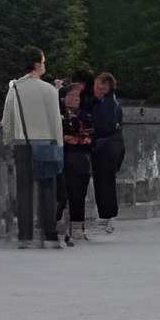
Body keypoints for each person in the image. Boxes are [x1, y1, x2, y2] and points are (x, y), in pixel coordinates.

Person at [1, 46, 63, 248]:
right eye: (43, 61)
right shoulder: (49, 90)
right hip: (45, 143)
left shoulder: (15, 88)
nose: (44, 65)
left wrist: (9, 141)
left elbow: (7, 119)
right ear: (37, 64)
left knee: (24, 190)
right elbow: (56, 122)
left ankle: (25, 237)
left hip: (22, 143)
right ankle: (50, 236)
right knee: (47, 190)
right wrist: (59, 146)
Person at [55, 72, 94, 245]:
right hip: (63, 158)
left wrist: (83, 138)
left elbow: (94, 135)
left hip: (81, 159)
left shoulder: (87, 115)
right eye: (71, 95)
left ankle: (78, 228)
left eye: (78, 96)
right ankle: (59, 227)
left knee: (79, 194)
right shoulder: (58, 115)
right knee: (62, 195)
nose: (75, 98)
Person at [85, 70, 125, 236]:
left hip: (107, 145)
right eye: (97, 87)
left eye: (102, 88)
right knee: (105, 181)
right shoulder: (108, 102)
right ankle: (107, 216)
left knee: (105, 181)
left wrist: (90, 132)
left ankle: (106, 217)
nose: (98, 90)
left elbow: (105, 127)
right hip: (111, 144)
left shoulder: (107, 104)